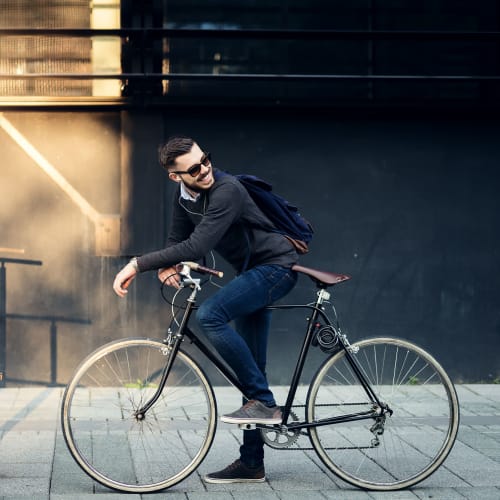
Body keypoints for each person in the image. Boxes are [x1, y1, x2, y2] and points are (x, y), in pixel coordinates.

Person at [112, 135, 298, 483]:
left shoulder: (227, 190)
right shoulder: (184, 196)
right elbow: (178, 240)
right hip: (253, 273)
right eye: (194, 169)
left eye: (205, 161)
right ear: (175, 176)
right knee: (251, 367)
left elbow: (199, 244)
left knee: (210, 315)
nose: (204, 170)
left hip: (276, 268)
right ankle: (252, 462)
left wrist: (138, 264)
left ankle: (263, 402)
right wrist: (169, 264)